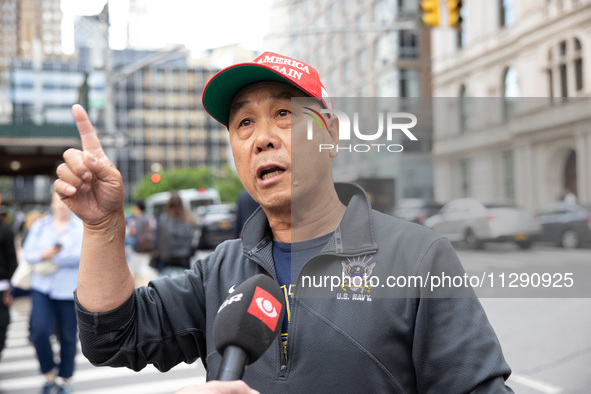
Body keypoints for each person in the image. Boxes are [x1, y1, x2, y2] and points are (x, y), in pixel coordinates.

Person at [54, 52, 513, 393]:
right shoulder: (221, 270)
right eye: (244, 124)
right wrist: (101, 226)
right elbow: (113, 338)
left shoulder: (418, 257)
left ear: (329, 134)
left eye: (283, 114)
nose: (262, 139)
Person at [22, 192, 83, 394]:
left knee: (67, 336)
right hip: (43, 288)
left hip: (68, 289)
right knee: (39, 332)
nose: (60, 206)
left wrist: (52, 258)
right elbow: (29, 254)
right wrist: (43, 254)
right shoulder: (40, 226)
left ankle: (65, 379)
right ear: (52, 203)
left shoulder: (80, 226)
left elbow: (81, 255)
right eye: (57, 202)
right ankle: (49, 375)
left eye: (64, 202)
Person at [154, 191, 196, 278]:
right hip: (184, 259)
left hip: (166, 260)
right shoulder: (188, 219)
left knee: (164, 287)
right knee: (184, 286)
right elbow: (192, 240)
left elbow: (157, 239)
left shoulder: (162, 218)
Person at [0, 206, 18, 362]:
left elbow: (12, 260)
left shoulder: (5, 229)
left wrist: (11, 290)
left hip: (2, 286)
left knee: (2, 326)